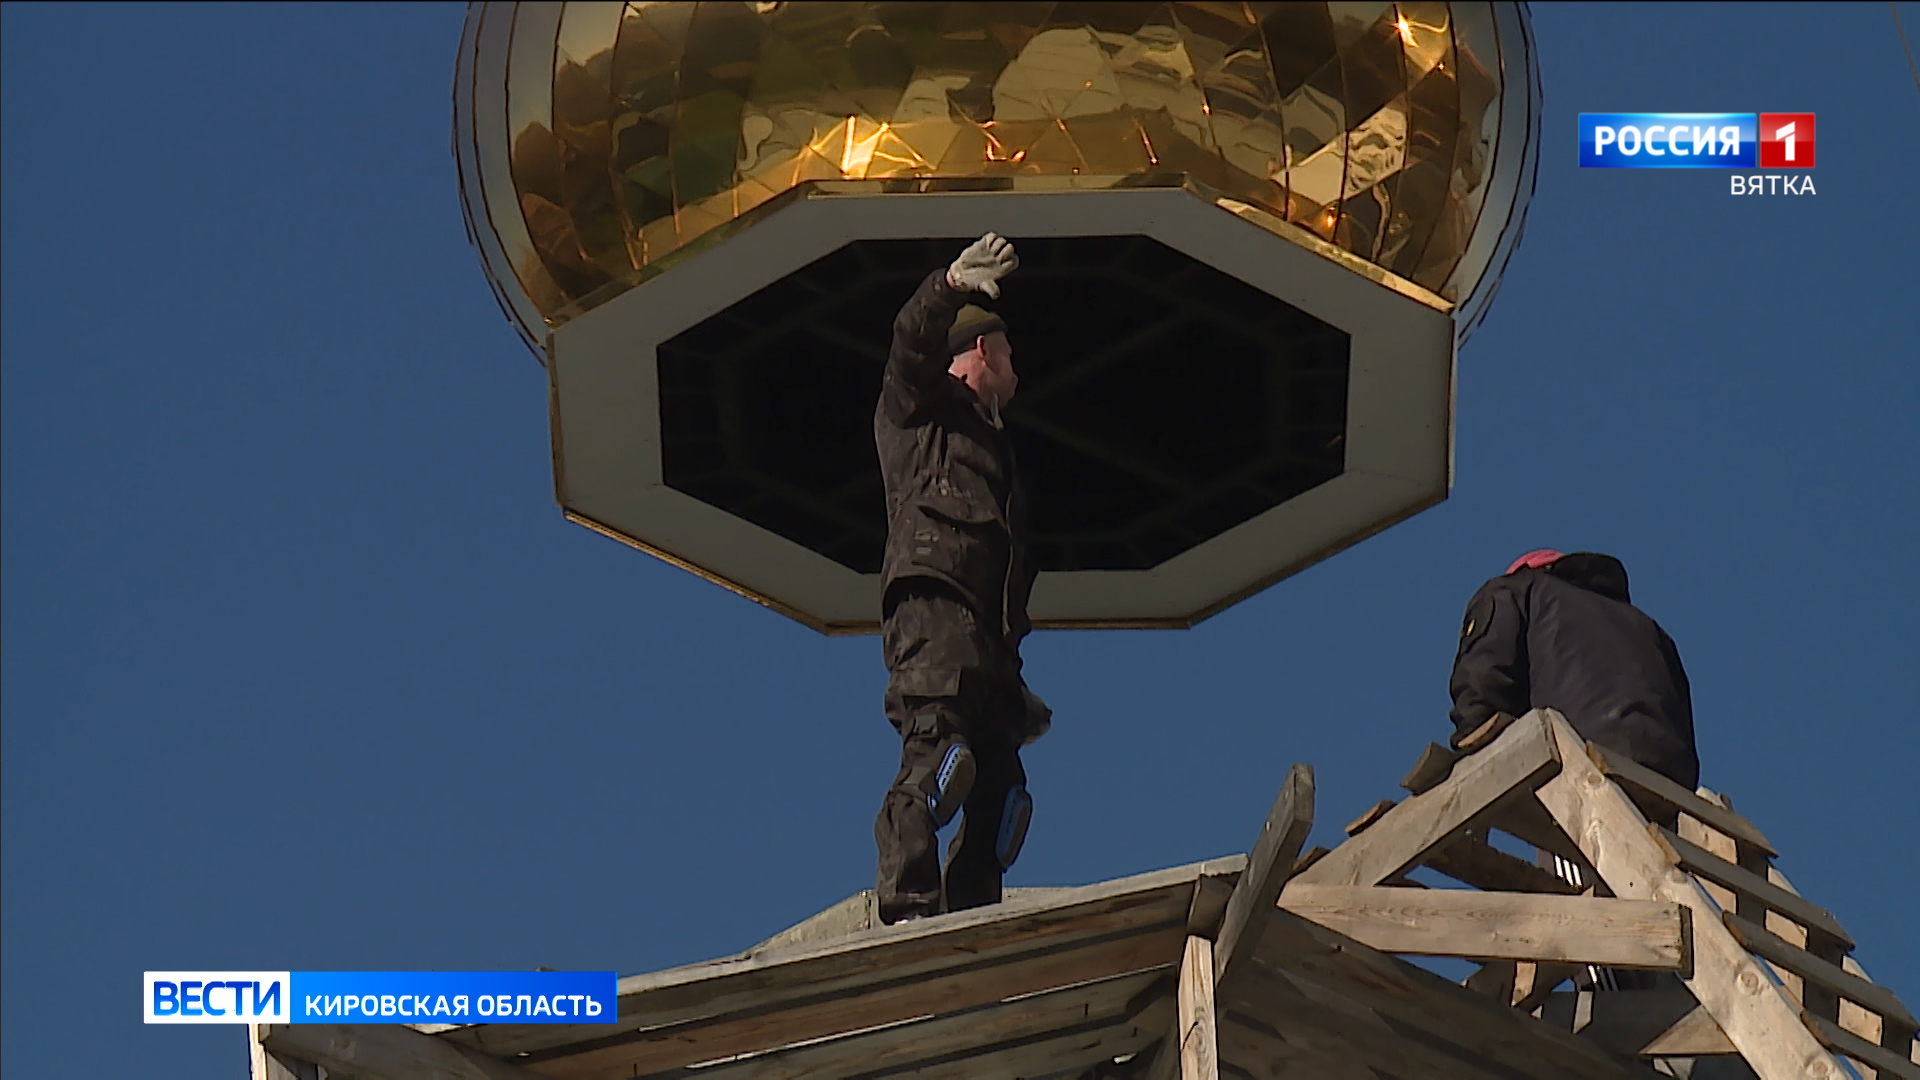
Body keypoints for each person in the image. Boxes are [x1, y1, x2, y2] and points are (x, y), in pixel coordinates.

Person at [872, 233, 1051, 925]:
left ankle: (972, 913)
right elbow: (909, 345)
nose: (1015, 365)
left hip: (989, 640)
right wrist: (948, 286)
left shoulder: (995, 450)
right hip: (936, 614)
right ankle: (908, 903)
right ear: (981, 351)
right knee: (939, 756)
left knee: (1002, 791)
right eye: (1006, 350)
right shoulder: (919, 415)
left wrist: (1010, 667)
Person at [1449, 550, 1700, 790]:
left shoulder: (1514, 589)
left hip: (1588, 750)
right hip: (1673, 775)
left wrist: (1473, 733)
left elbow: (1484, 668)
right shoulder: (1651, 630)